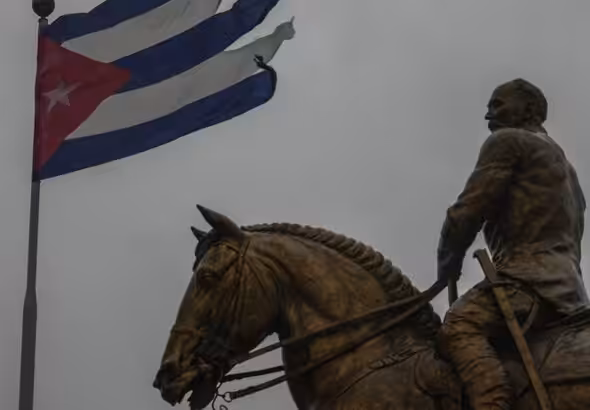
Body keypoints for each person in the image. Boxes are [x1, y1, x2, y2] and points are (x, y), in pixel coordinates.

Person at [436, 78, 589, 410]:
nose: (489, 113)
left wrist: (447, 265)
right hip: (569, 291)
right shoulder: (569, 172)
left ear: (529, 109)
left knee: (459, 325)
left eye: (498, 104)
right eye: (490, 105)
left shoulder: (508, 141)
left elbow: (466, 214)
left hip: (527, 280)